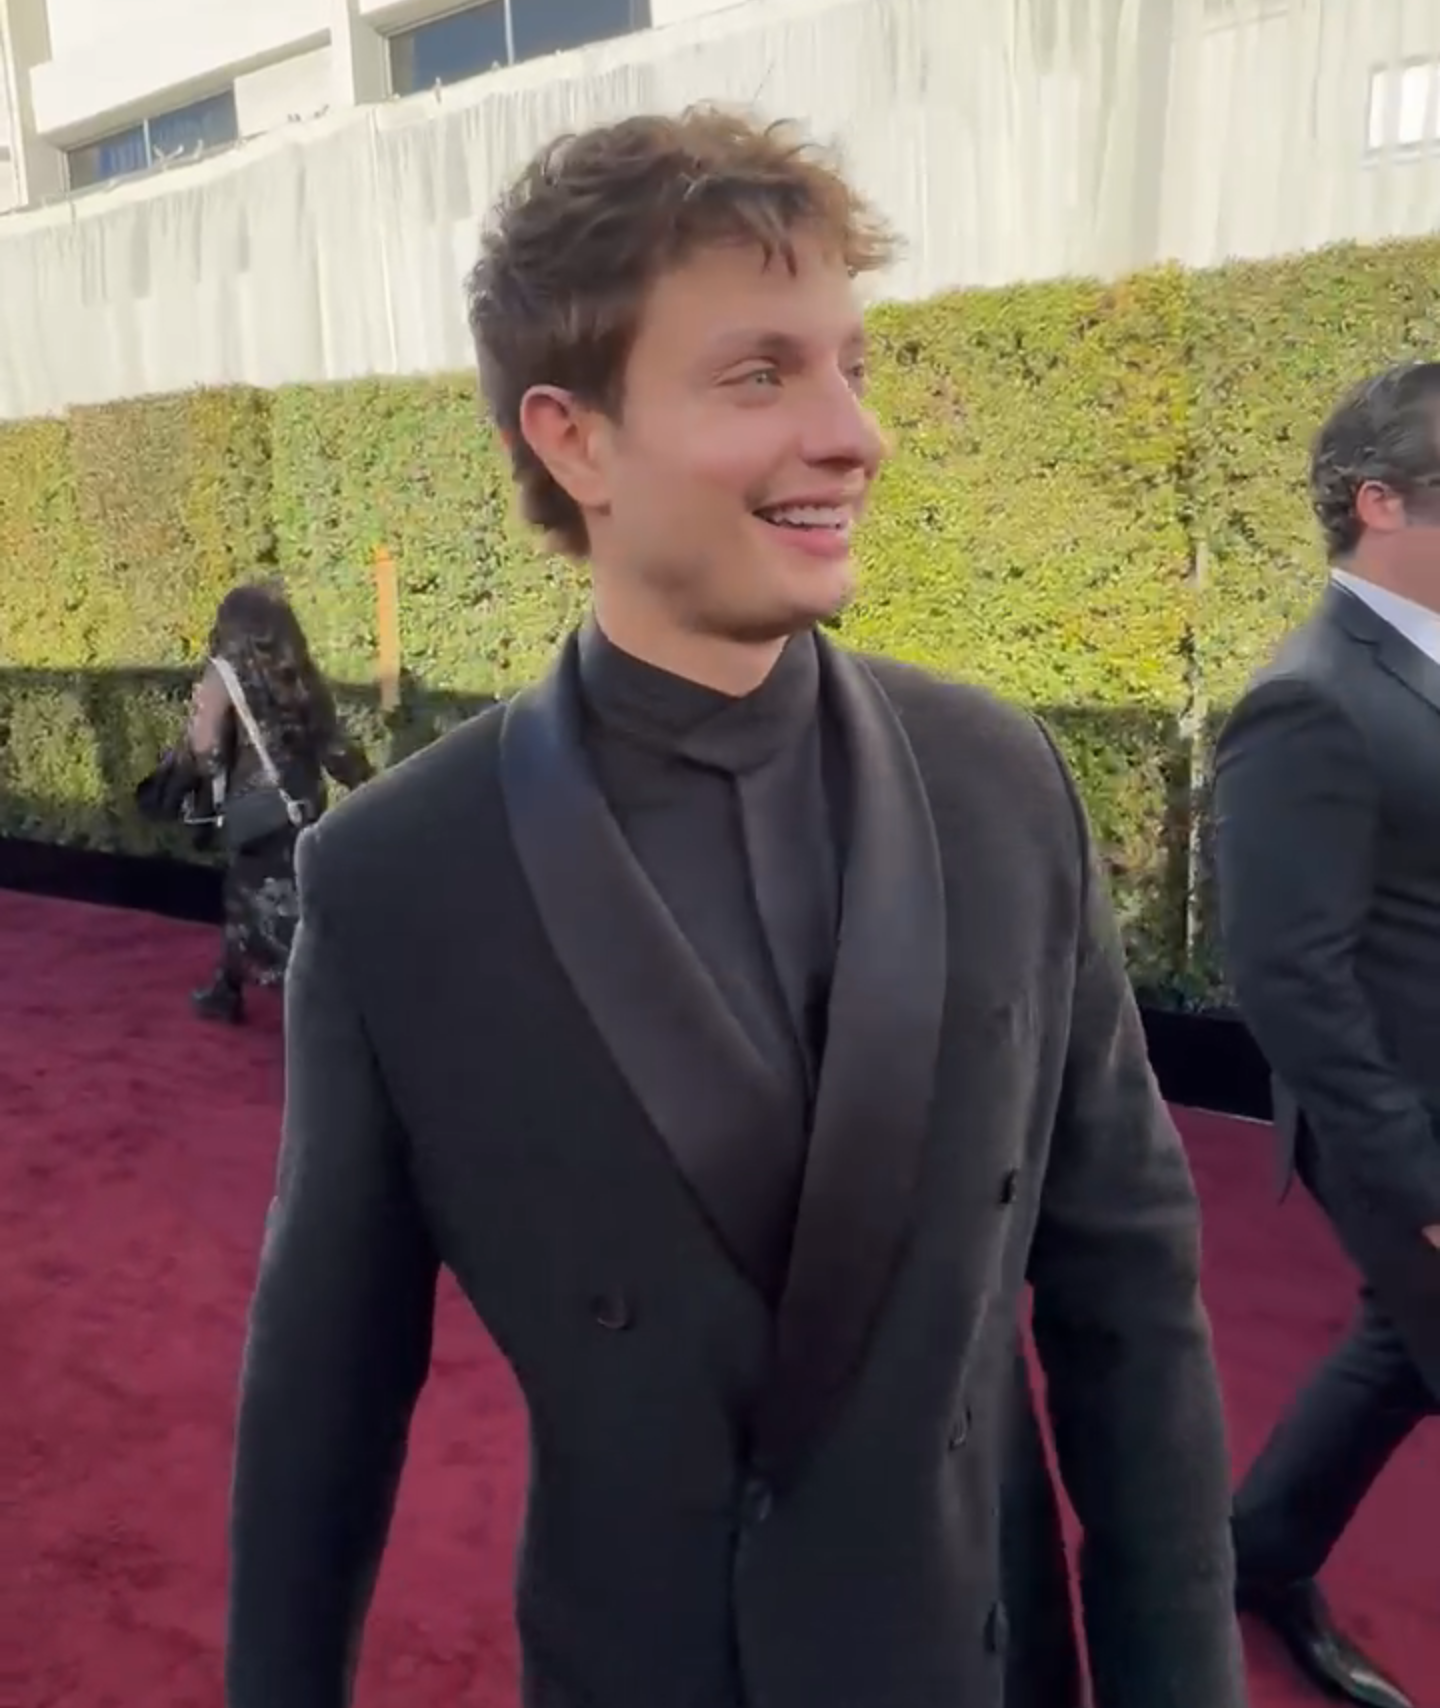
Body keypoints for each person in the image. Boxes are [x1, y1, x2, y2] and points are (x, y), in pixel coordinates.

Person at [226, 109, 1245, 1708]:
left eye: (852, 363)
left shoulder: (1000, 783)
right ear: (574, 441)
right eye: (761, 374)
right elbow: (325, 1399)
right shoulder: (394, 879)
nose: (855, 433)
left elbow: (1130, 1291)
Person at [1213, 363, 1440, 1708]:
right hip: (1404, 1130)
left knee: (1397, 1355)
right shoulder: (1308, 701)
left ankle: (1254, 1555)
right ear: (1380, 504)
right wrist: (1415, 1189)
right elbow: (1287, 979)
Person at [186, 583, 371, 1024]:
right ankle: (225, 988)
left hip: (253, 813)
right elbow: (337, 749)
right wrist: (369, 787)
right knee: (255, 899)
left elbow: (206, 751)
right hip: (301, 807)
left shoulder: (222, 679)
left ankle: (331, 1017)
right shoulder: (300, 675)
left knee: (272, 916)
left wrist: (202, 798)